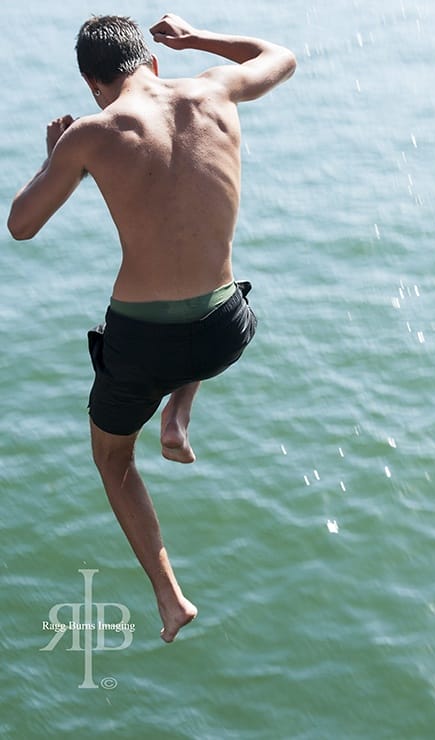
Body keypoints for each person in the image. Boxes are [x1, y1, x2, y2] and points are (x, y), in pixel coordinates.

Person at [7, 13, 296, 642]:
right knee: (214, 304)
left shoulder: (90, 134)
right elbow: (280, 55)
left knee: (113, 459)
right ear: (153, 61)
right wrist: (196, 39)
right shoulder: (216, 88)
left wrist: (54, 159)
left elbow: (21, 224)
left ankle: (170, 599)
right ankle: (178, 414)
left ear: (93, 84)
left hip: (141, 345)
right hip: (225, 331)